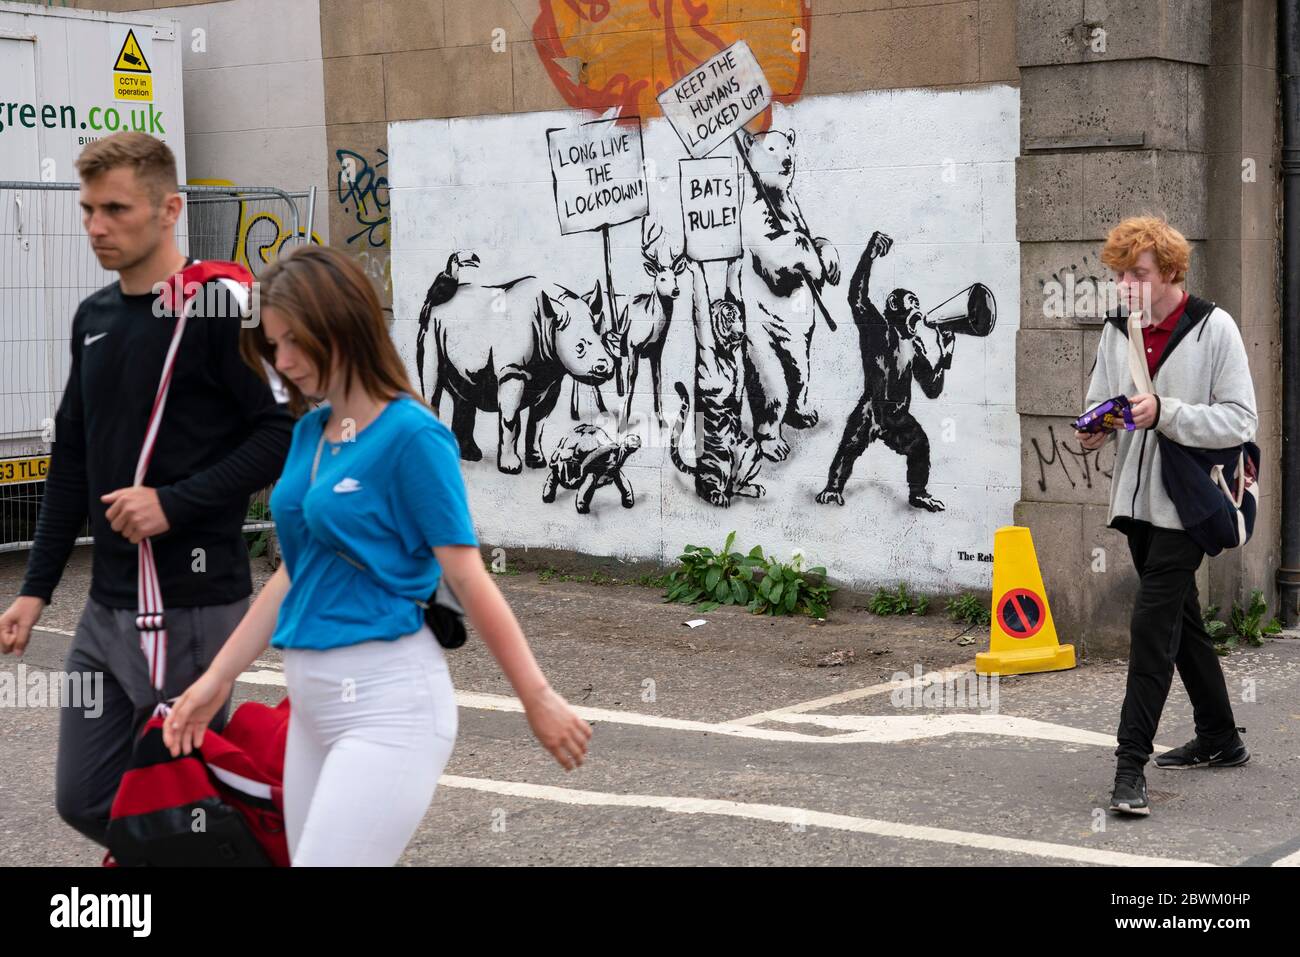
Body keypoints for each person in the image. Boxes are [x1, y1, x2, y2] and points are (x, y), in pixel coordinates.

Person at [162, 245, 593, 866]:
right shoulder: (311, 433)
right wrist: (215, 680)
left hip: (390, 707)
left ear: (340, 326)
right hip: (311, 706)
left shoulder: (413, 436)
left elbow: (467, 578)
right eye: (272, 346)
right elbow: (294, 573)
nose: (281, 362)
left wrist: (538, 697)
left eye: (291, 342)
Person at [0, 131, 294, 845]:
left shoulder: (221, 309)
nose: (97, 226)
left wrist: (174, 501)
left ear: (169, 209)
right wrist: (35, 589)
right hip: (106, 606)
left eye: (116, 210)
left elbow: (279, 433)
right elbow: (71, 458)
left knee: (185, 801)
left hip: (195, 606)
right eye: (89, 209)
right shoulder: (93, 318)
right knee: (83, 796)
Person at [1077, 216, 1256, 817]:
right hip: (1137, 506)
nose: (1128, 284)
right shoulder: (1117, 330)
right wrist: (1095, 429)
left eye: (1140, 273)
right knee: (1183, 620)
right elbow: (1103, 406)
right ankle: (1221, 738)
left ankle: (1129, 769)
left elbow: (1239, 420)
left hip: (1189, 502)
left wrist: (1167, 413)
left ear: (1171, 272)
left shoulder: (1215, 328)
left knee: (1152, 627)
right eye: (1121, 273)